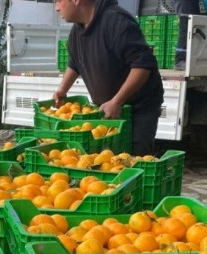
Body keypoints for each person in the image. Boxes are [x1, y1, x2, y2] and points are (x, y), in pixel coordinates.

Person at [53, 0, 165, 157]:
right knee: (109, 161)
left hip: (137, 110)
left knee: (135, 160)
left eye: (59, 1)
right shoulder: (77, 31)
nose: (56, 8)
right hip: (108, 110)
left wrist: (117, 101)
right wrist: (63, 89)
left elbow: (143, 65)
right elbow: (75, 62)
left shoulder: (116, 21)